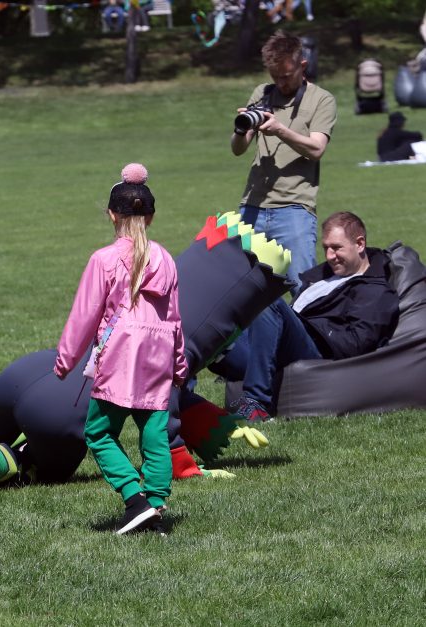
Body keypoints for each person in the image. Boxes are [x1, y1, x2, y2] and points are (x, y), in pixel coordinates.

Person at [53, 163, 187, 535]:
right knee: (154, 431)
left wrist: (65, 360)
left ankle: (136, 500)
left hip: (120, 353)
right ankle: (157, 506)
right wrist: (179, 364)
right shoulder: (166, 259)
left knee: (99, 432)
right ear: (152, 217)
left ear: (112, 214)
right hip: (158, 354)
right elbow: (175, 318)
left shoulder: (105, 259)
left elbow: (85, 314)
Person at [214, 212, 400, 421]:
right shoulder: (323, 277)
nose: (330, 255)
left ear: (359, 244)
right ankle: (180, 401)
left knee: (270, 302)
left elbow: (357, 342)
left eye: (337, 247)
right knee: (211, 319)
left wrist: (318, 328)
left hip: (317, 347)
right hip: (289, 339)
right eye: (326, 248)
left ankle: (257, 403)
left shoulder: (374, 291)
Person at [231, 31, 337, 294]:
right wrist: (242, 129)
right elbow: (237, 149)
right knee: (245, 295)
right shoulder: (262, 93)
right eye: (274, 75)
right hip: (252, 206)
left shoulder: (321, 100)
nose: (280, 82)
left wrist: (280, 129)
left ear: (303, 65)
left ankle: (310, 336)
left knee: (303, 291)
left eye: (286, 76)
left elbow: (316, 148)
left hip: (294, 209)